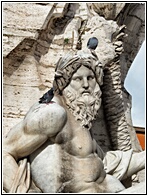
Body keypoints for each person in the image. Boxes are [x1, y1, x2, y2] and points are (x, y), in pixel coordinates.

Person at [3, 49, 145, 193]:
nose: (86, 84)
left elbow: (99, 164)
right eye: (78, 78)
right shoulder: (53, 114)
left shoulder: (81, 117)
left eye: (90, 78)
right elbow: (4, 152)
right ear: (65, 82)